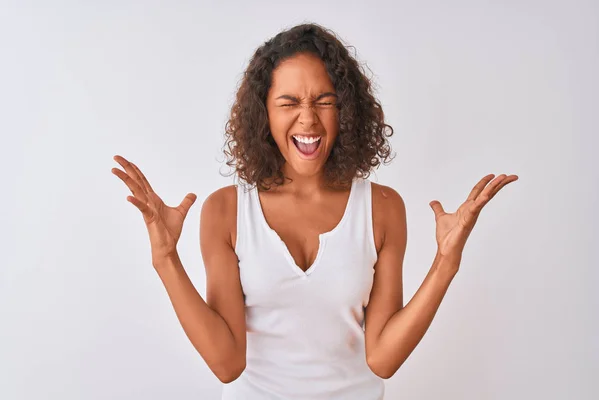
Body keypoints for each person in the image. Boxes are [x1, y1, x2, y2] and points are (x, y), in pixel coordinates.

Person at [111, 23, 518, 399]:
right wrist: (166, 259)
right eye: (289, 102)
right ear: (263, 112)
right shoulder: (226, 210)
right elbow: (227, 364)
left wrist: (445, 263)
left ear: (346, 110)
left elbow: (383, 359)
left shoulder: (382, 207)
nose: (309, 119)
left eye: (325, 101)